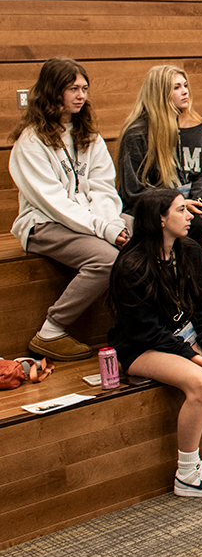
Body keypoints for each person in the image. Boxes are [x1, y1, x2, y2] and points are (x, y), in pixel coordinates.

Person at [109, 188, 202, 498]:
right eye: (180, 210)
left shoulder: (188, 250)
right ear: (160, 220)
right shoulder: (131, 264)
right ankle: (188, 473)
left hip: (187, 337)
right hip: (142, 346)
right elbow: (145, 330)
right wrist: (199, 359)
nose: (190, 215)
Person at [10, 58, 128, 361]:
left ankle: (140, 323)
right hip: (44, 223)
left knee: (153, 228)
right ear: (53, 91)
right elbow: (55, 203)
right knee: (106, 259)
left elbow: (103, 188)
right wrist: (104, 230)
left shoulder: (87, 134)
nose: (81, 95)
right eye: (72, 88)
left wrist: (112, 223)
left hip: (86, 219)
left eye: (84, 88)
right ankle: (51, 331)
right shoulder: (31, 142)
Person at [117, 64, 202, 240]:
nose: (185, 91)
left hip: (190, 202)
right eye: (176, 88)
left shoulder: (195, 127)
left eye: (185, 85)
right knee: (195, 225)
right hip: (154, 209)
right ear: (159, 94)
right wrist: (177, 204)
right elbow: (133, 191)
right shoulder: (137, 133)